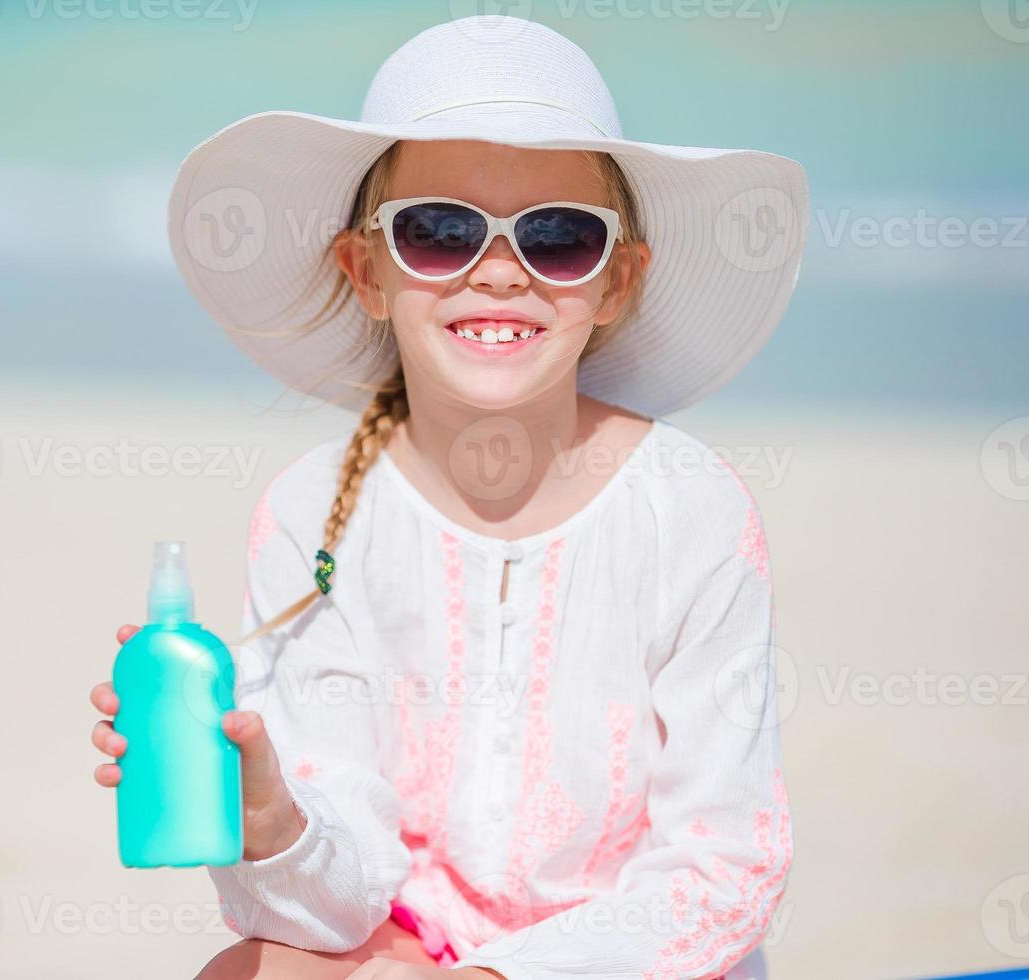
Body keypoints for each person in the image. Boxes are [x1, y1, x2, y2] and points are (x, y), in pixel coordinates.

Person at [92, 15, 805, 978]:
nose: (500, 270)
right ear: (368, 271)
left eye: (559, 238)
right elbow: (334, 898)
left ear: (617, 282)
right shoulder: (313, 517)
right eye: (438, 232)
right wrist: (271, 822)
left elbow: (724, 868)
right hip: (412, 951)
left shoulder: (690, 514)